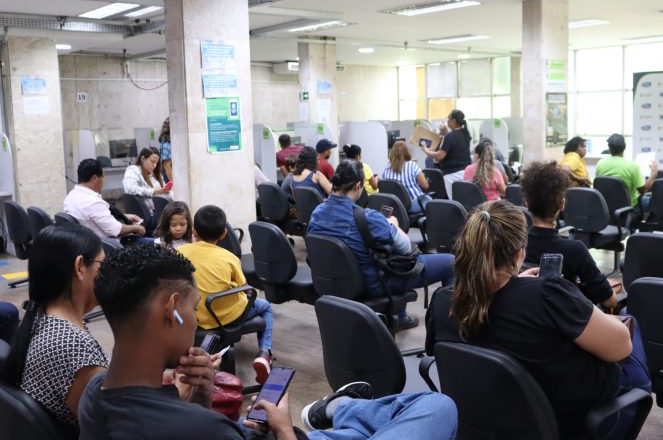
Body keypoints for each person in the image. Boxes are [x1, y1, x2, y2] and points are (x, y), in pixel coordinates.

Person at [79, 243, 458, 440]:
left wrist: (200, 398)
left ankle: (340, 411)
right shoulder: (195, 430)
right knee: (438, 407)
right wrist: (282, 429)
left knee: (374, 423)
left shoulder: (95, 394)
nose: (195, 320)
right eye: (194, 309)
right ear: (172, 308)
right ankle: (340, 410)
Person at [426, 200, 650, 440]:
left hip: (491, 419)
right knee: (629, 330)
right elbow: (621, 348)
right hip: (566, 423)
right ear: (520, 253)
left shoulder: (442, 301)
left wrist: (514, 283)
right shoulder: (547, 295)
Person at [308, 160, 454, 330]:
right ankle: (448, 328)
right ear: (357, 186)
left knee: (381, 255)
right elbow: (406, 249)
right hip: (374, 284)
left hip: (340, 281)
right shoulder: (369, 218)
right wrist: (394, 226)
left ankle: (401, 317)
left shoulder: (316, 214)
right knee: (451, 262)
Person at [0, 224, 109, 436]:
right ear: (80, 267)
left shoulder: (40, 316)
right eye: (101, 266)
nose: (105, 275)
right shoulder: (71, 345)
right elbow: (114, 430)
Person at [178, 206, 274, 383]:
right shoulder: (229, 257)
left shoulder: (182, 252)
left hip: (195, 316)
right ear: (223, 234)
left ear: (193, 230)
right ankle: (264, 353)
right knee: (265, 307)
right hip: (230, 317)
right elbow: (245, 288)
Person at [521, 161, 618, 309]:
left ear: (526, 203)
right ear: (562, 204)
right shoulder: (574, 250)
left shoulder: (515, 243)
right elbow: (610, 302)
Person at [64, 158, 147, 240]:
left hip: (87, 243)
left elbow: (98, 217)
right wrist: (137, 228)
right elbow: (117, 229)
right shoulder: (92, 202)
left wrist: (125, 216)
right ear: (94, 178)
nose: (104, 181)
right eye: (103, 177)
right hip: (111, 246)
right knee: (156, 243)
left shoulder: (70, 197)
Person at [595, 134, 657, 212]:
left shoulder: (600, 163)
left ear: (609, 148)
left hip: (607, 207)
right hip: (629, 207)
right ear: (624, 147)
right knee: (654, 199)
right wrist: (654, 175)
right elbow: (643, 190)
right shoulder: (632, 166)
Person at [421, 109, 472, 198]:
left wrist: (426, 150)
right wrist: (445, 133)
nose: (447, 121)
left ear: (454, 121)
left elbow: (440, 156)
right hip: (466, 172)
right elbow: (455, 142)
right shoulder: (465, 133)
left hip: (451, 175)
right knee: (464, 199)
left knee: (454, 200)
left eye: (448, 119)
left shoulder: (450, 136)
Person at [381, 140, 430, 214]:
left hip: (395, 205)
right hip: (413, 204)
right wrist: (422, 176)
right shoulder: (412, 165)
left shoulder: (387, 167)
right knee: (431, 202)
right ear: (406, 151)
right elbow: (425, 186)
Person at [123, 147, 172, 220]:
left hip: (160, 210)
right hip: (147, 214)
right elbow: (130, 188)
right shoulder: (133, 170)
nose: (155, 165)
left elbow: (162, 190)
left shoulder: (156, 174)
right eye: (152, 162)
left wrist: (166, 190)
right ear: (143, 159)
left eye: (156, 163)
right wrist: (154, 191)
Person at [159, 117, 173, 183]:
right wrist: (173, 183)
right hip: (170, 177)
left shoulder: (168, 141)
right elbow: (166, 165)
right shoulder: (166, 143)